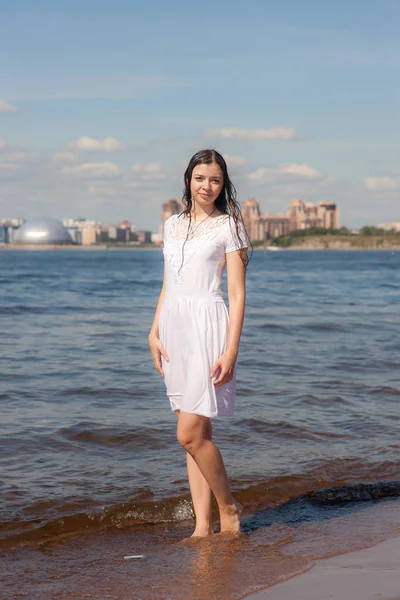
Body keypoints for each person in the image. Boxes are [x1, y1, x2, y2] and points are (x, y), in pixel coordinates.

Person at [148, 149, 249, 538]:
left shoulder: (230, 225)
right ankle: (202, 526)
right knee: (196, 438)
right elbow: (168, 283)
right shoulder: (171, 224)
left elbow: (237, 293)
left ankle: (230, 510)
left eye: (216, 180)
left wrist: (231, 349)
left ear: (223, 185)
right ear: (189, 179)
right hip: (173, 328)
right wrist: (154, 331)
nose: (207, 186)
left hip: (209, 326)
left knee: (188, 433)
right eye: (200, 178)